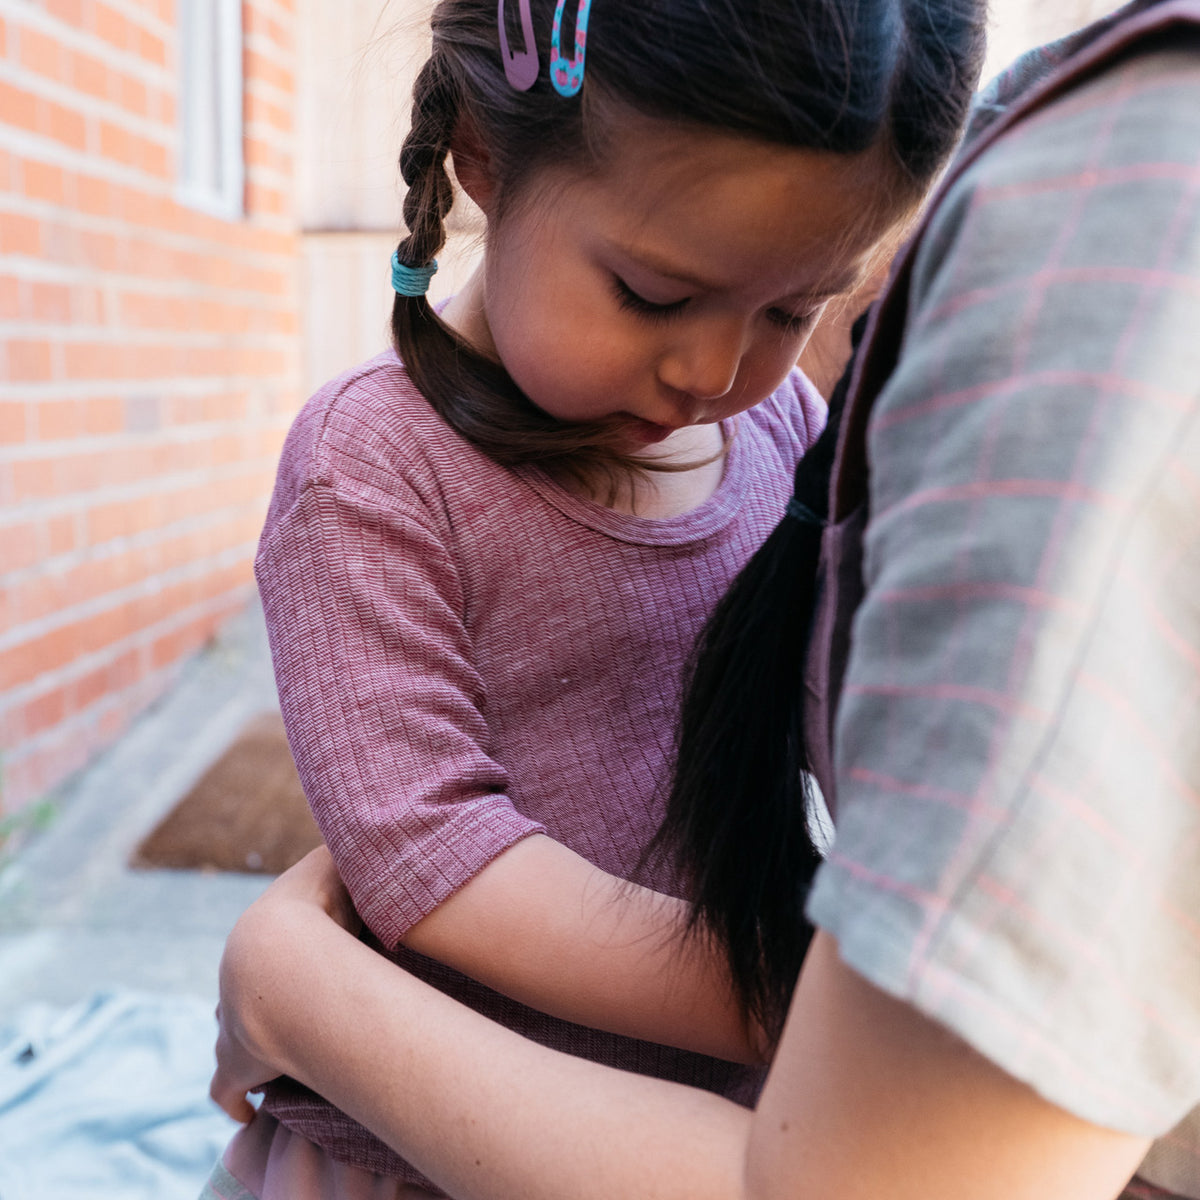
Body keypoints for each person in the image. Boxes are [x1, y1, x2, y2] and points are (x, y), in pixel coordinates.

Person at [208, 0, 1200, 1197]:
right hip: (423, 1136)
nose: (715, 371)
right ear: (479, 155)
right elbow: (427, 850)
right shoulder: (370, 467)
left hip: (701, 1125)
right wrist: (784, 991)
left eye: (791, 311)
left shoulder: (778, 427)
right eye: (654, 295)